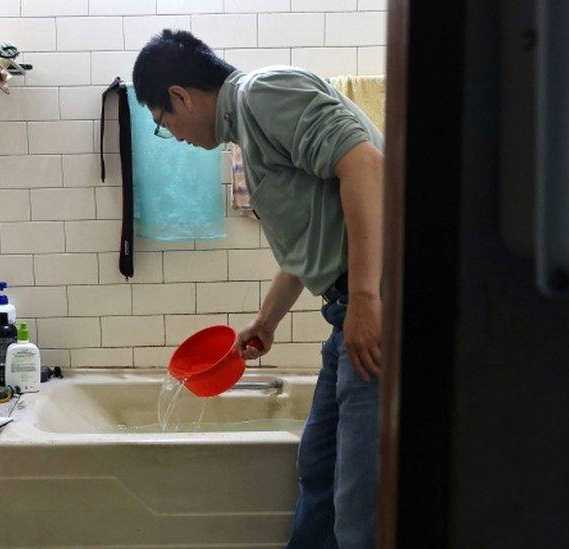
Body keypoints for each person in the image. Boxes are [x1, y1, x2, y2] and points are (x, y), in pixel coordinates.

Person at [133, 29, 385, 547]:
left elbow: (365, 165)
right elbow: (313, 240)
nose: (173, 135)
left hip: (378, 304)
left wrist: (365, 298)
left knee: (362, 506)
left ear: (181, 96)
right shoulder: (250, 128)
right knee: (320, 469)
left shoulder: (263, 95)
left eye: (164, 123)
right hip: (347, 311)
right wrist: (265, 322)